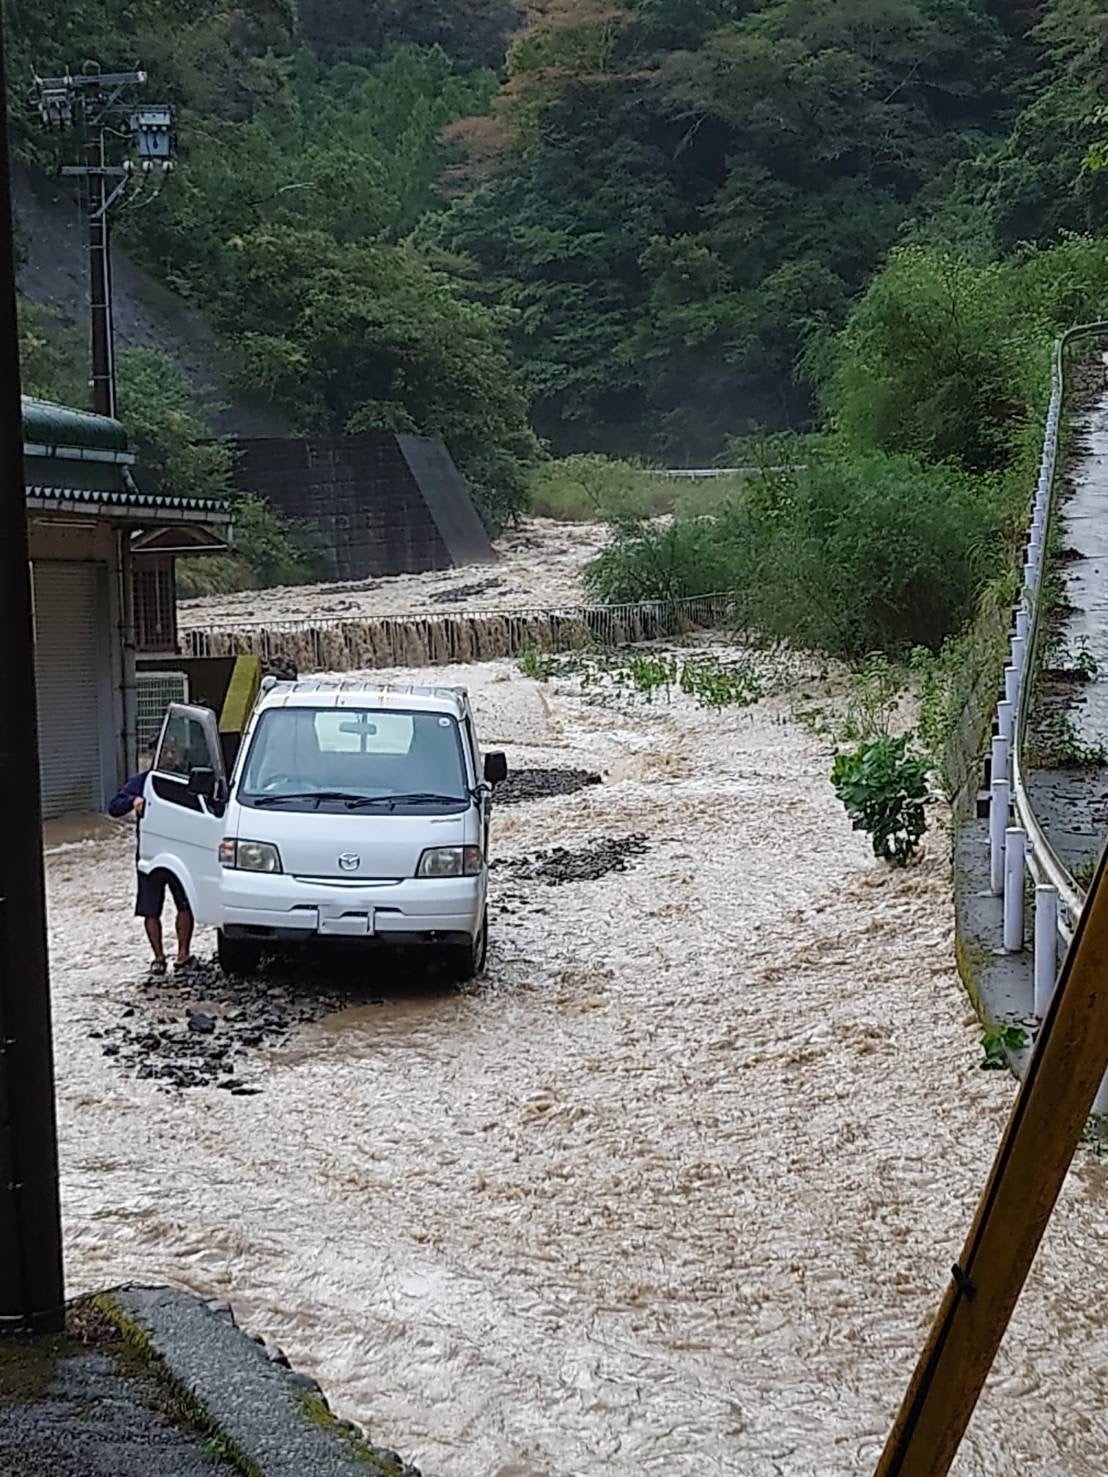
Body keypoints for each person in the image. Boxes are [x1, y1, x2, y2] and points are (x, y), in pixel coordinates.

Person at [108, 738, 196, 976]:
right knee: (150, 909)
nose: (169, 756)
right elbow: (114, 807)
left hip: (182, 855)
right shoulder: (142, 782)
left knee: (185, 905)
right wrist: (133, 801)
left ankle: (183, 954)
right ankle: (158, 957)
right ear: (153, 754)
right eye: (163, 751)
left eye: (172, 751)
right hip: (151, 855)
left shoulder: (184, 781)